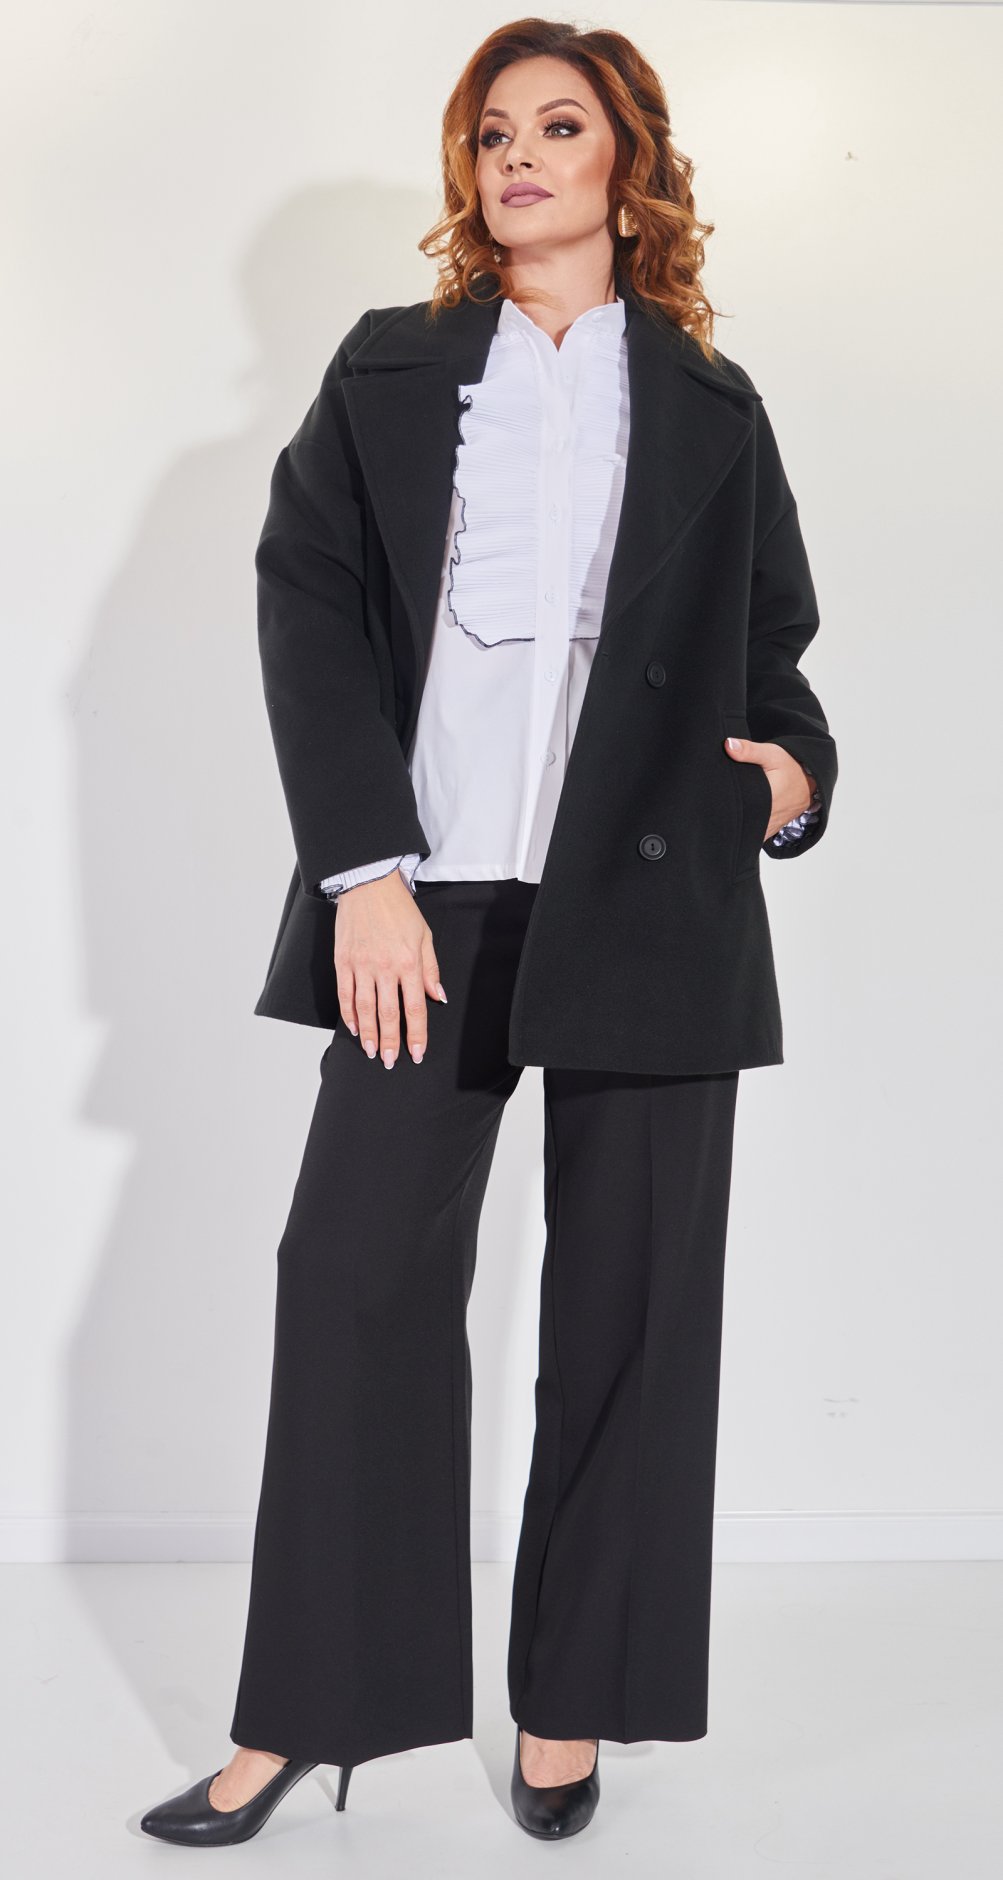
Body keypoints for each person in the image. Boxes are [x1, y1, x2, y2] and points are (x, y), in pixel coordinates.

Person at [140, 17, 836, 1849]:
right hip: (427, 893)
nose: (518, 155)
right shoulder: (390, 367)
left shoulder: (712, 399)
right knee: (352, 1280)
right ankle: (303, 1718)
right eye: (492, 132)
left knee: (632, 1314)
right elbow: (305, 602)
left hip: (655, 900)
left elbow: (775, 651)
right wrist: (363, 871)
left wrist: (793, 776)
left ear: (627, 164)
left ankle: (569, 1707)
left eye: (559, 126)